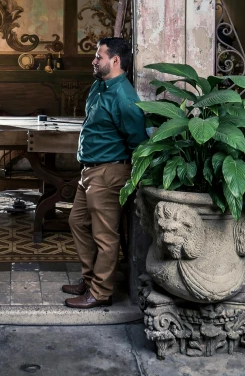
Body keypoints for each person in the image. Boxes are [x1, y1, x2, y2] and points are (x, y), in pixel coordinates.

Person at [63, 37, 147, 309]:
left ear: (115, 61)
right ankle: (90, 279)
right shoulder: (99, 86)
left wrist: (131, 178)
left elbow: (137, 141)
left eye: (99, 56)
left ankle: (100, 292)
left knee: (105, 235)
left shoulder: (124, 97)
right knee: (77, 222)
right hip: (88, 171)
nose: (94, 60)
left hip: (109, 172)